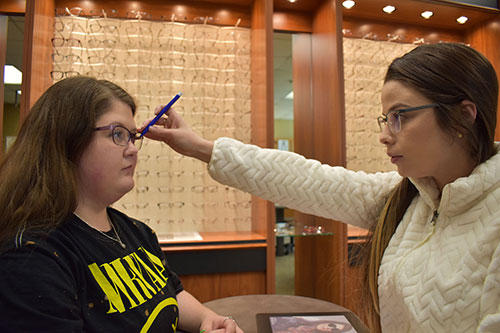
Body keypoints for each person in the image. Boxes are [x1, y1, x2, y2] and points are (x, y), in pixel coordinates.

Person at [139, 42, 500, 332]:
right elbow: (304, 179)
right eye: (385, 118)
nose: (384, 135)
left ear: (464, 116)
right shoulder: (412, 197)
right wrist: (199, 146)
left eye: (400, 117)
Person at [0, 76, 242, 333]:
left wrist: (209, 319)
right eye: (118, 134)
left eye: (133, 137)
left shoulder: (137, 232)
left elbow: (171, 295)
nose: (133, 150)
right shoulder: (32, 257)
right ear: (68, 140)